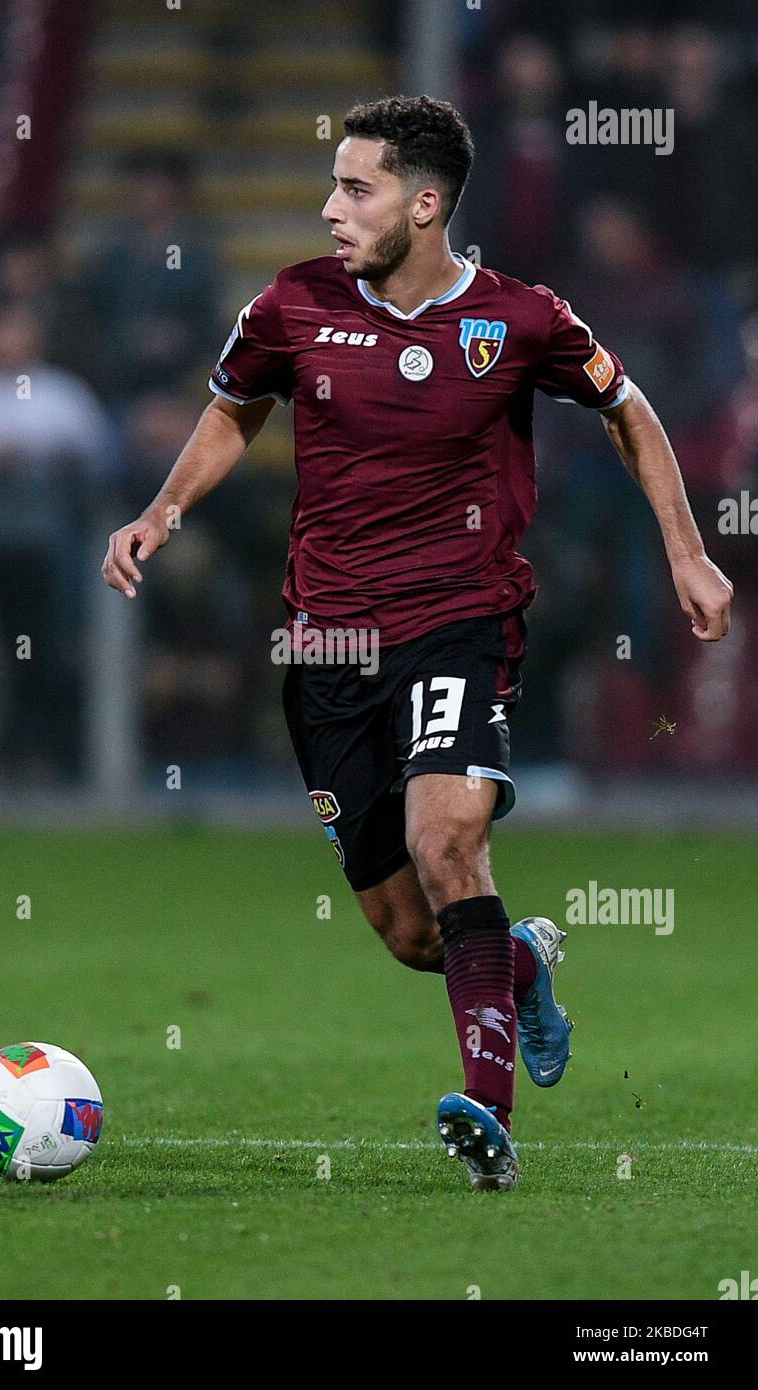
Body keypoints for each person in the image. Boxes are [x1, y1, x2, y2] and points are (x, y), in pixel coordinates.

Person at [101, 96, 733, 1191]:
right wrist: (165, 509)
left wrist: (686, 550)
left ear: (425, 204)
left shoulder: (520, 319)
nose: (330, 209)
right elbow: (232, 406)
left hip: (460, 620)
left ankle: (486, 1117)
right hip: (326, 648)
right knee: (411, 931)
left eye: (357, 189)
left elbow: (628, 409)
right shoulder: (291, 304)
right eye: (333, 186)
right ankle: (522, 957)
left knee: (450, 843)